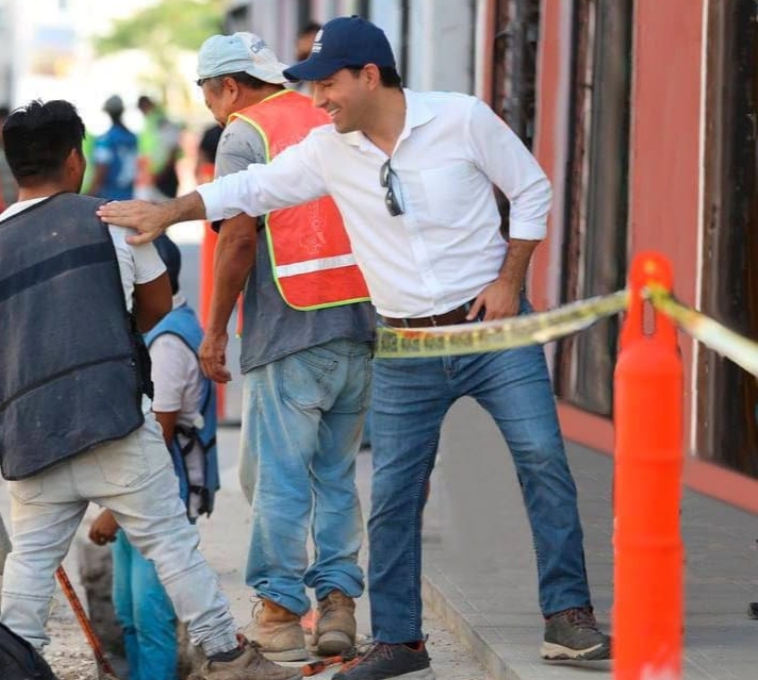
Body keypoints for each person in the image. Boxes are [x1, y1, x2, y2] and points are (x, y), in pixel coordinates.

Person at [99, 16, 611, 679]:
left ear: (371, 76)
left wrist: (511, 279)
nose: (317, 101)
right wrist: (169, 211)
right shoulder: (327, 150)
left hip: (491, 330)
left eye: (328, 85)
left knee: (542, 458)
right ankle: (400, 642)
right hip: (401, 343)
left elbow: (532, 190)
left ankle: (568, 618)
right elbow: (249, 190)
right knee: (395, 492)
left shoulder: (462, 119)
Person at [0, 99, 297, 680]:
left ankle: (11, 664)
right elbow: (156, 308)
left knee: (29, 568)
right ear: (74, 158)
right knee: (170, 543)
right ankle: (229, 657)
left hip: (30, 437)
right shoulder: (116, 222)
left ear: (13, 166)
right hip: (112, 422)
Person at [194, 32, 376, 662]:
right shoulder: (330, 115)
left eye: (208, 95)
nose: (212, 109)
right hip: (359, 326)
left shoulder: (245, 132)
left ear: (229, 86)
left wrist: (215, 330)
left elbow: (238, 240)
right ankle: (337, 609)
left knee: (278, 479)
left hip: (290, 330)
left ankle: (276, 614)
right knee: (334, 475)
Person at [87, 234, 219, 680]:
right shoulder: (162, 327)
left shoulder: (166, 344)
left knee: (151, 619)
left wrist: (110, 511)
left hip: (159, 492)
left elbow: (157, 436)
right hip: (140, 490)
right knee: (128, 613)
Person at [87, 95, 138, 201]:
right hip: (129, 195)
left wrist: (88, 195)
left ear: (108, 113)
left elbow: (101, 169)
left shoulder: (106, 139)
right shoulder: (132, 138)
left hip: (109, 198)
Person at [137, 95, 182, 199]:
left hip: (163, 176)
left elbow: (172, 150)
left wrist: (160, 174)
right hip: (153, 176)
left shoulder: (161, 122)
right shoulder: (150, 122)